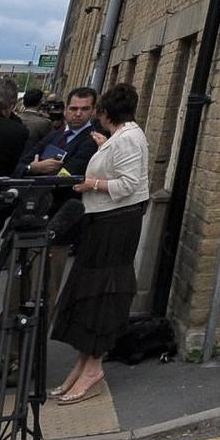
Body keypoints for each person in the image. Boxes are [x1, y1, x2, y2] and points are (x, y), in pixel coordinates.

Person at [52, 84, 148, 405]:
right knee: (88, 293)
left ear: (104, 113)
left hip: (115, 226)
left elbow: (129, 184)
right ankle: (83, 363)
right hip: (102, 222)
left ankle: (93, 368)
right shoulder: (121, 137)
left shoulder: (131, 137)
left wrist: (89, 183)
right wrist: (106, 147)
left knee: (101, 294)